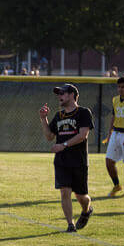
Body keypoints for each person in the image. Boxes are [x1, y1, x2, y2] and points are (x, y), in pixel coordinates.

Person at [40, 84, 94, 233]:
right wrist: (43, 119)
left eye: (62, 93)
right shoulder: (58, 116)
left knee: (81, 196)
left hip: (78, 160)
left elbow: (83, 135)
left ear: (72, 95)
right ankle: (70, 225)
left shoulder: (83, 112)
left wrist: (63, 145)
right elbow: (50, 136)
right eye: (58, 94)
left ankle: (86, 210)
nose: (59, 96)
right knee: (65, 192)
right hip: (62, 161)